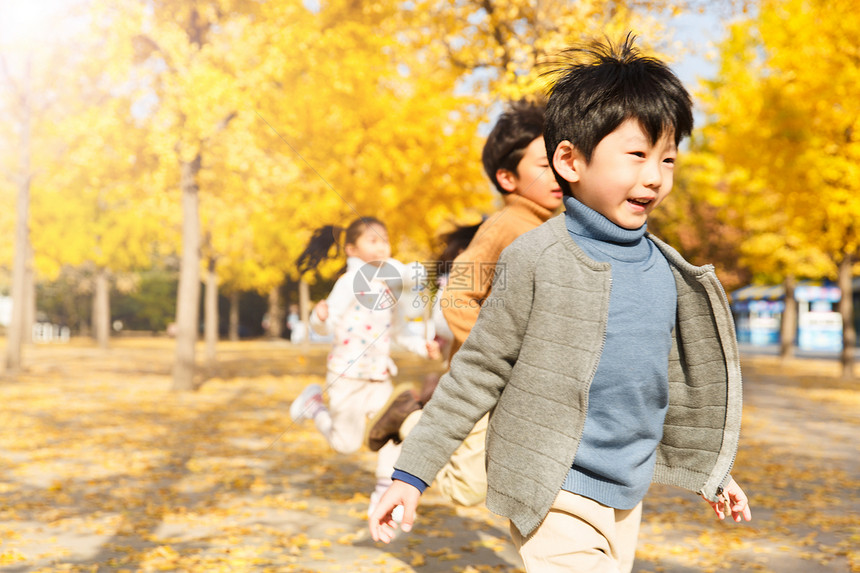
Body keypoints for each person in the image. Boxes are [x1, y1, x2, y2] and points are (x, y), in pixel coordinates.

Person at [369, 35, 752, 572]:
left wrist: (712, 470)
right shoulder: (535, 254)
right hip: (550, 485)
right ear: (570, 160)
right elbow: (477, 369)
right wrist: (411, 476)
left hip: (626, 490)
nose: (654, 176)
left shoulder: (667, 271)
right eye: (637, 155)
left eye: (668, 159)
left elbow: (669, 384)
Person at [365, 98, 563, 507]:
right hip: (481, 380)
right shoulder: (507, 227)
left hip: (521, 385)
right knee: (465, 490)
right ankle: (412, 417)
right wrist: (493, 356)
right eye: (543, 166)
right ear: (508, 178)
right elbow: (457, 295)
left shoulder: (553, 227)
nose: (557, 174)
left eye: (561, 161)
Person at [290, 216, 440, 518]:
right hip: (346, 375)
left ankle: (384, 492)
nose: (382, 245)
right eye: (373, 240)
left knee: (392, 431)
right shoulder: (347, 284)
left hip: (379, 377)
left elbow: (399, 332)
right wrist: (319, 316)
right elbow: (325, 326)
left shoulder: (391, 288)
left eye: (384, 239)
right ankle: (313, 403)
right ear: (352, 249)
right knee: (345, 445)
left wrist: (421, 346)